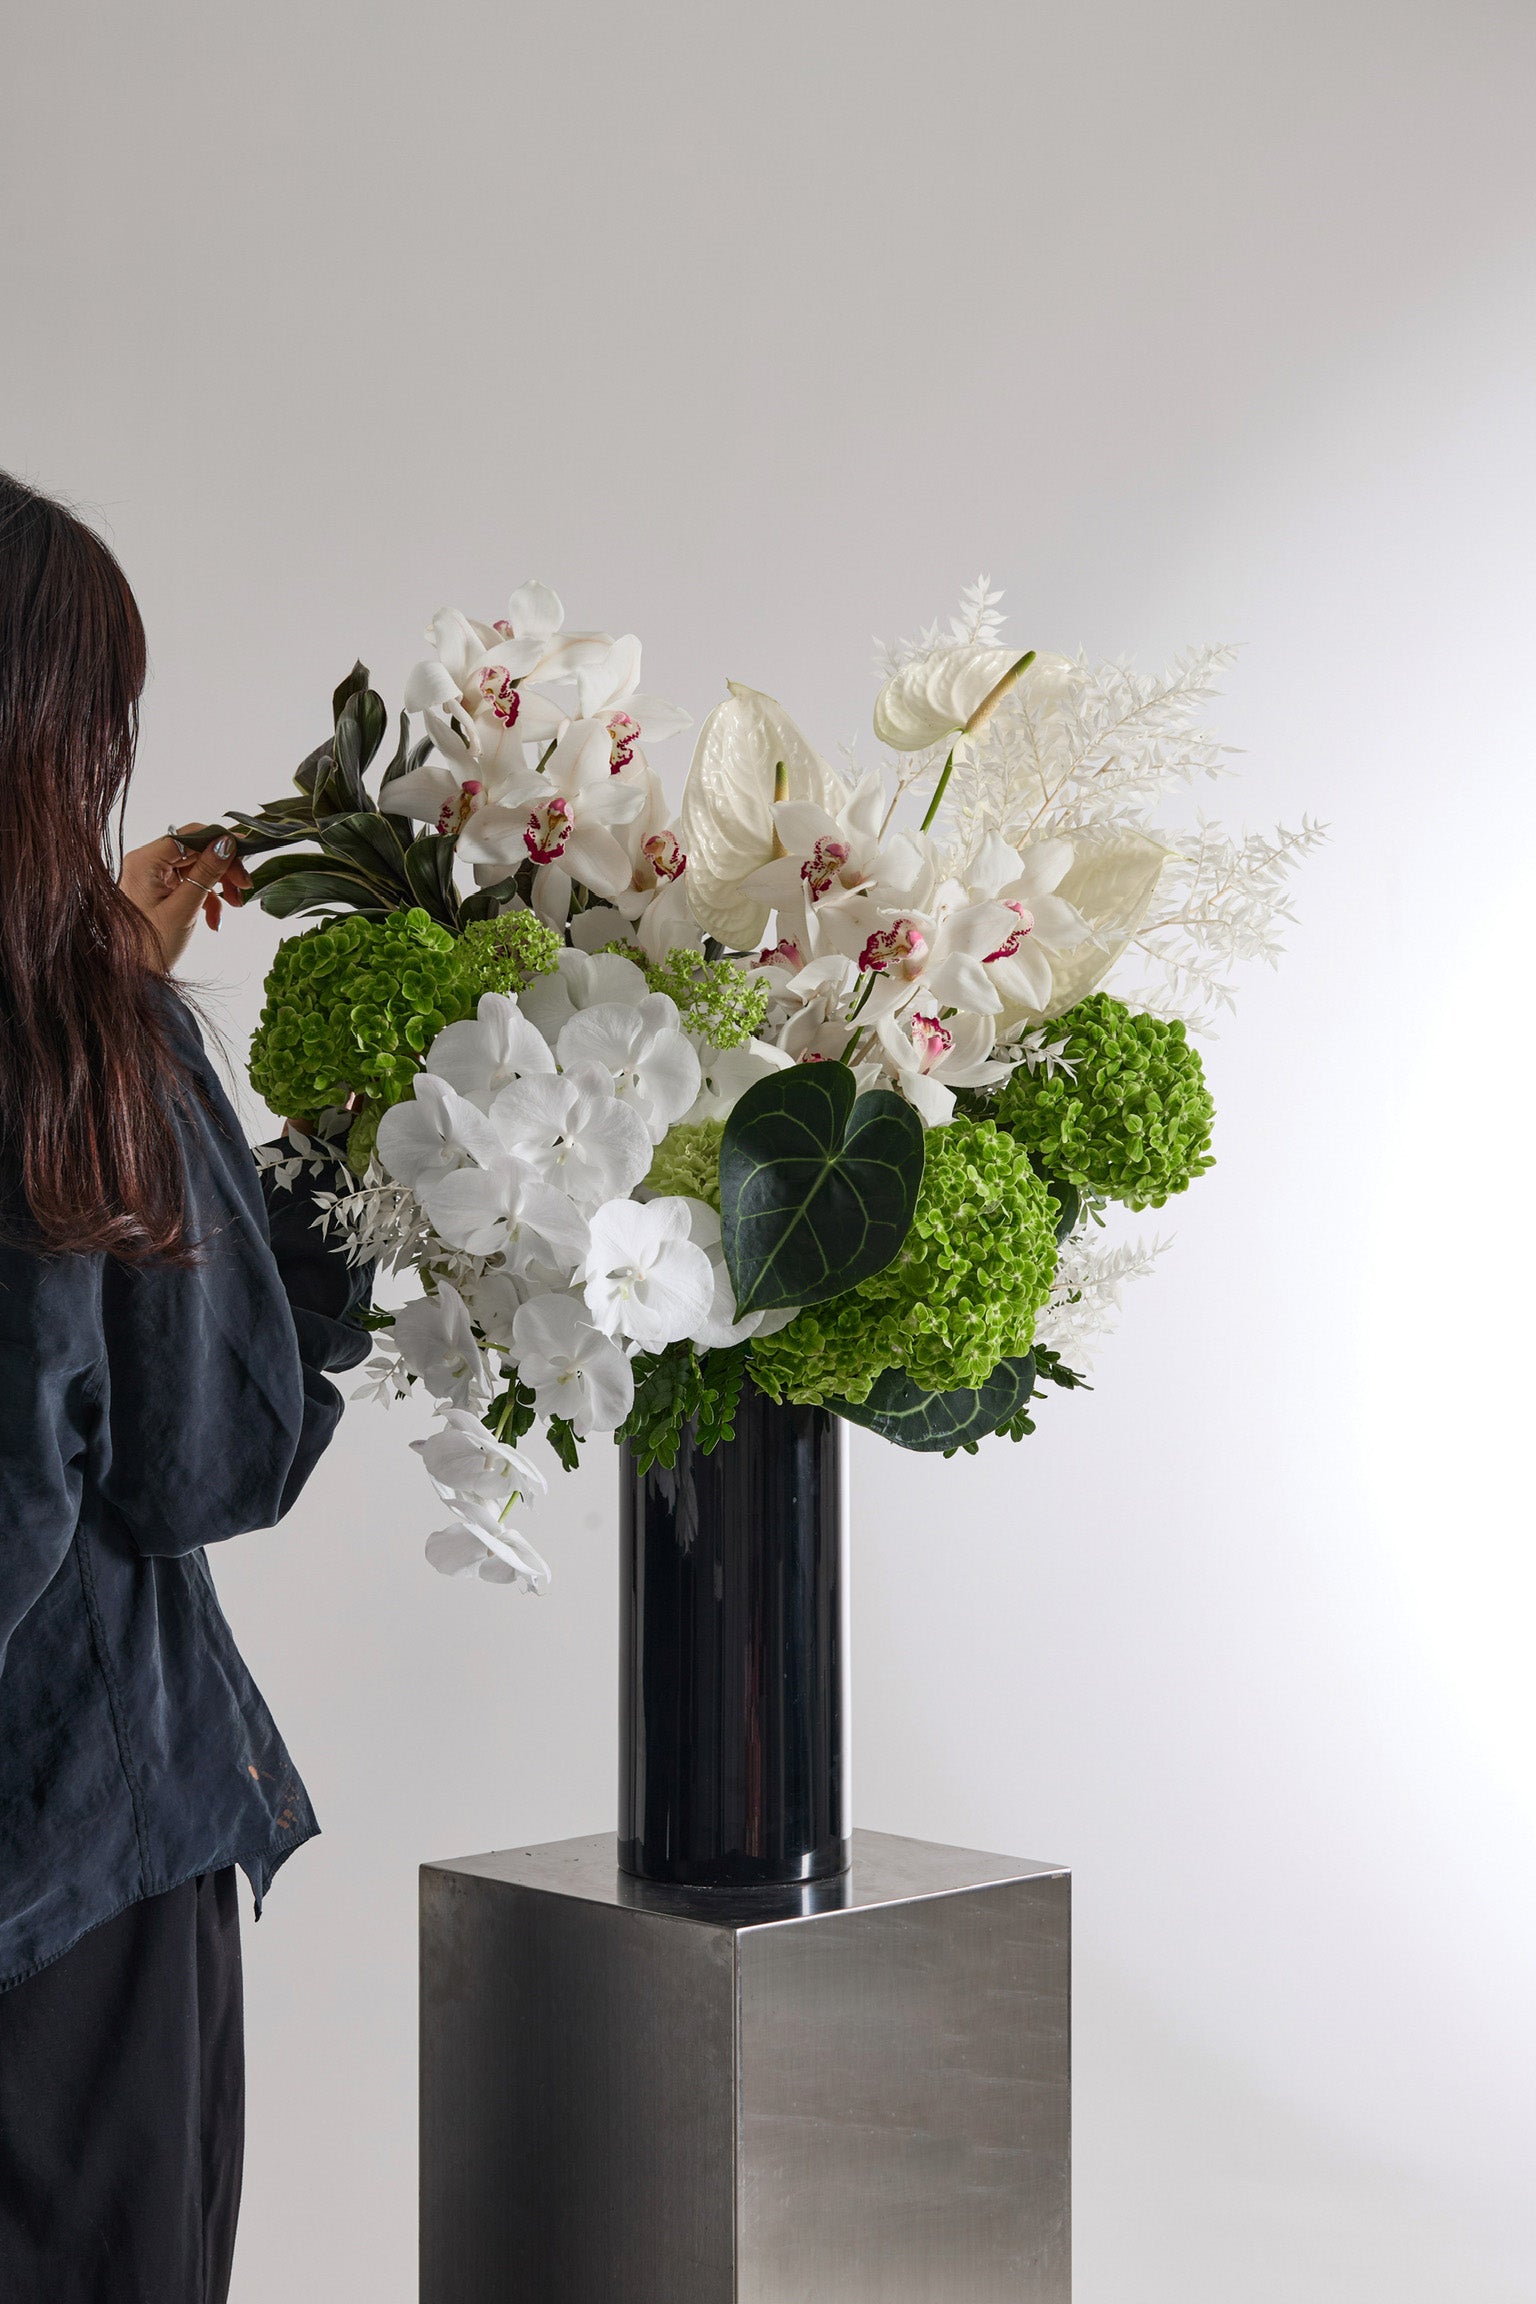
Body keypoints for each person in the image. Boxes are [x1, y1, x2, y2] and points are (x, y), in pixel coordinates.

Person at [0, 473, 370, 2302]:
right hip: (72, 1858)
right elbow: (200, 1453)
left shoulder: (81, 1026)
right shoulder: (79, 1046)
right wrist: (333, 1179)